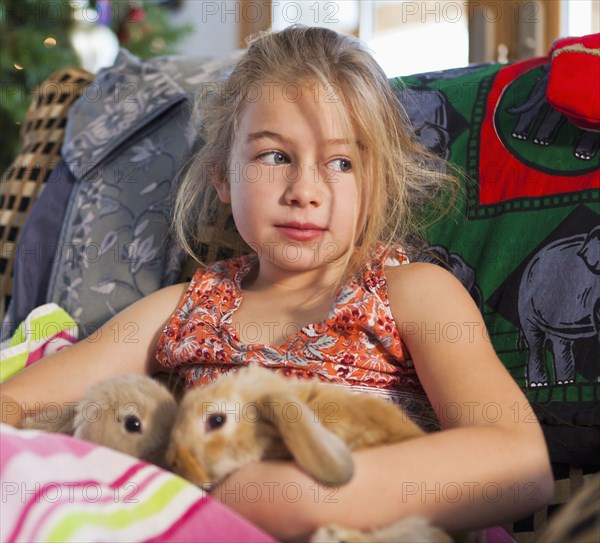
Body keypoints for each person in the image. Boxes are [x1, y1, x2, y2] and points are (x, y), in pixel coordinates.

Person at [1, 26, 553, 541]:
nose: (304, 190)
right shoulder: (185, 307)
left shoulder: (413, 293)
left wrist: (297, 496)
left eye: (341, 162)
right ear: (222, 174)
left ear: (377, 182)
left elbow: (520, 464)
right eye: (274, 156)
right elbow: (16, 404)